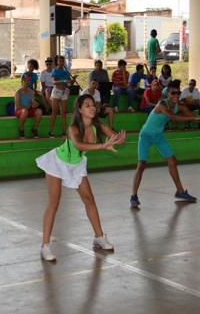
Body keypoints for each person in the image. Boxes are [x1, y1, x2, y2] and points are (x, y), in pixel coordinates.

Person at [36, 94, 126, 261]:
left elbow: (113, 136)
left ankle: (99, 237)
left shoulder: (97, 124)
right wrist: (102, 145)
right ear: (79, 110)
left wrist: (119, 140)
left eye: (93, 104)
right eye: (87, 105)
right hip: (58, 162)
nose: (92, 107)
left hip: (77, 164)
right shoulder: (73, 128)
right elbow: (79, 145)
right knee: (54, 203)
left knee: (89, 200)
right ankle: (45, 246)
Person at [130, 80, 200, 208]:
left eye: (178, 93)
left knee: (172, 160)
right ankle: (134, 196)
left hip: (158, 136)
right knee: (141, 165)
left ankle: (180, 191)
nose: (176, 95)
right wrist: (194, 118)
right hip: (145, 135)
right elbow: (173, 117)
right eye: (173, 93)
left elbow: (193, 117)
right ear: (167, 94)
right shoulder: (162, 104)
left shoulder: (181, 106)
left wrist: (196, 118)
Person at [48, 55, 74, 138]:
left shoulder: (66, 71)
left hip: (64, 92)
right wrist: (63, 80)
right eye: (60, 61)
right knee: (55, 112)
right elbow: (54, 82)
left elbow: (70, 82)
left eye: (63, 61)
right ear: (57, 62)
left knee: (63, 112)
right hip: (56, 91)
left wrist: (71, 81)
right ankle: (50, 131)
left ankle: (64, 131)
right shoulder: (55, 70)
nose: (61, 63)